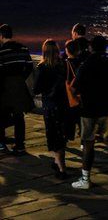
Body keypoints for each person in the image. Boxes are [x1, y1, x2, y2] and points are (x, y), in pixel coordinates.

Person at [72, 35, 108, 190]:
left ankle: (85, 179)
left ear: (91, 47)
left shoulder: (86, 65)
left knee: (88, 143)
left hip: (89, 109)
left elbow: (74, 88)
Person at [33, 39, 69, 177]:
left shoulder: (42, 68)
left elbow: (36, 89)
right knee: (61, 133)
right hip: (64, 104)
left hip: (50, 105)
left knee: (54, 135)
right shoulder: (63, 65)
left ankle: (62, 168)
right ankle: (57, 161)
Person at [0, 24, 34, 155]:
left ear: (1, 36)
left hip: (5, 87)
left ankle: (2, 144)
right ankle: (20, 145)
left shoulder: (1, 52)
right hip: (19, 85)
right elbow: (30, 66)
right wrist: (21, 78)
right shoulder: (23, 48)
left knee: (2, 115)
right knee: (19, 116)